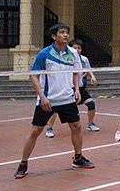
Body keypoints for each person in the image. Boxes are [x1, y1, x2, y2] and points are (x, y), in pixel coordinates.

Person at [14, 23, 94, 179]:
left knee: (76, 126)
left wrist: (77, 89)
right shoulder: (44, 54)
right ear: (53, 36)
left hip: (67, 98)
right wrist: (42, 97)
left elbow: (76, 73)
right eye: (62, 32)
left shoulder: (73, 53)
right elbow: (34, 77)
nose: (65, 35)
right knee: (35, 131)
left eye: (67, 32)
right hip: (48, 99)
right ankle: (23, 163)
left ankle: (78, 158)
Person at [46, 39, 99, 137]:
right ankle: (49, 128)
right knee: (56, 109)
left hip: (80, 88)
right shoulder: (66, 58)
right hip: (68, 88)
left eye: (79, 48)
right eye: (75, 48)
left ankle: (90, 124)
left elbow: (87, 69)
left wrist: (92, 76)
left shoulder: (84, 59)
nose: (77, 50)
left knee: (91, 104)